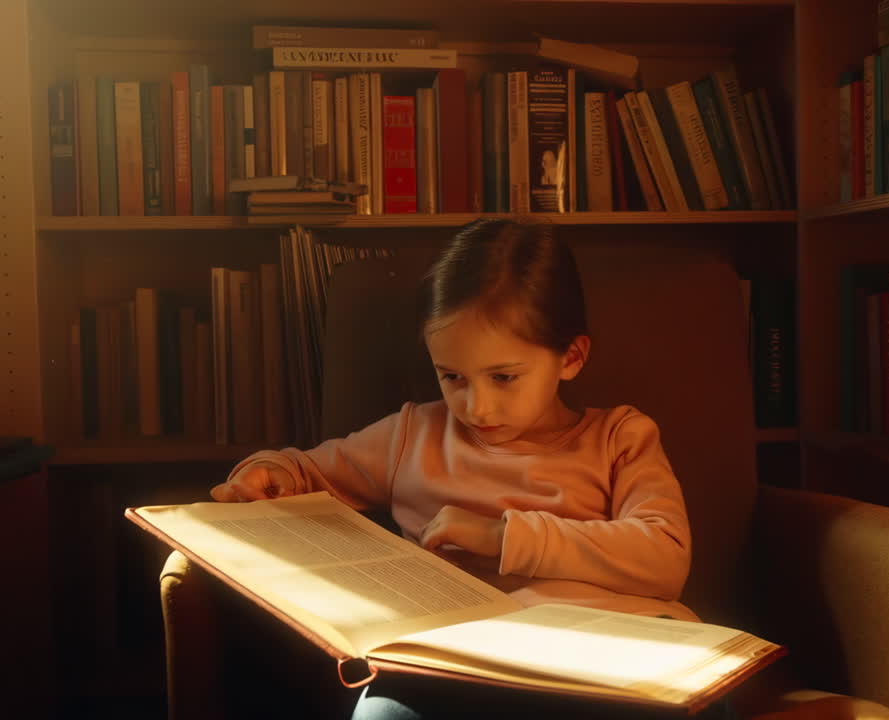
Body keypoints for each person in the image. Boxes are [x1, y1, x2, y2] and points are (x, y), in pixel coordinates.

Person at [210, 218, 727, 719]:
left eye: (504, 377)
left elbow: (664, 558)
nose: (476, 408)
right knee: (384, 713)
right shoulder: (415, 435)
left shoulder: (619, 438)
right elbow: (305, 472)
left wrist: (501, 538)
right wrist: (267, 472)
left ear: (570, 357)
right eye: (452, 376)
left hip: (614, 652)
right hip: (461, 668)